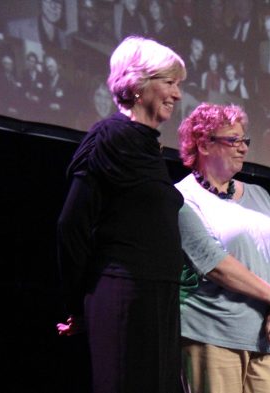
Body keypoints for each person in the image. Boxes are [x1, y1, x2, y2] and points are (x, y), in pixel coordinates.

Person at [56, 36, 186, 393]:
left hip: (158, 297)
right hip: (124, 294)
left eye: (178, 85)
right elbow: (71, 225)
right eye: (169, 82)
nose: (177, 94)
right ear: (139, 84)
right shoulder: (109, 138)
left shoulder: (147, 145)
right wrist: (77, 304)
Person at [175, 102, 270, 393]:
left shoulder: (260, 194)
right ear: (204, 145)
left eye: (245, 140)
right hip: (213, 334)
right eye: (233, 140)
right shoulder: (182, 198)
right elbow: (214, 263)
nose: (243, 148)